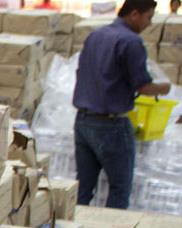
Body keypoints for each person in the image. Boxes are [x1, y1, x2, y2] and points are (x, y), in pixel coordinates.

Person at [73, 0, 171, 209]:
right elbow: (143, 86)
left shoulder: (95, 35)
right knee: (119, 189)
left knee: (82, 190)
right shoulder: (131, 41)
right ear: (135, 14)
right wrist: (164, 88)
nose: (149, 24)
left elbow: (82, 73)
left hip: (83, 121)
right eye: (148, 17)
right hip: (111, 125)